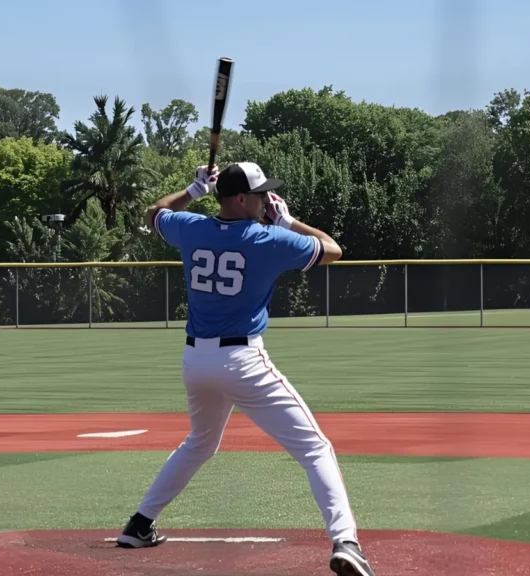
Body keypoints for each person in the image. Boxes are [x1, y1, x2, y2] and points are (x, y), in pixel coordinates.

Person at [114, 162, 376, 576]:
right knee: (315, 448)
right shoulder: (268, 238)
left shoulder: (191, 227)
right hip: (242, 360)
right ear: (240, 198)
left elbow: (152, 213)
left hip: (195, 361)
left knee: (200, 443)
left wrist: (193, 188)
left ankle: (138, 524)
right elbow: (333, 249)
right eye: (260, 194)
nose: (267, 201)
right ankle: (346, 541)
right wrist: (288, 220)